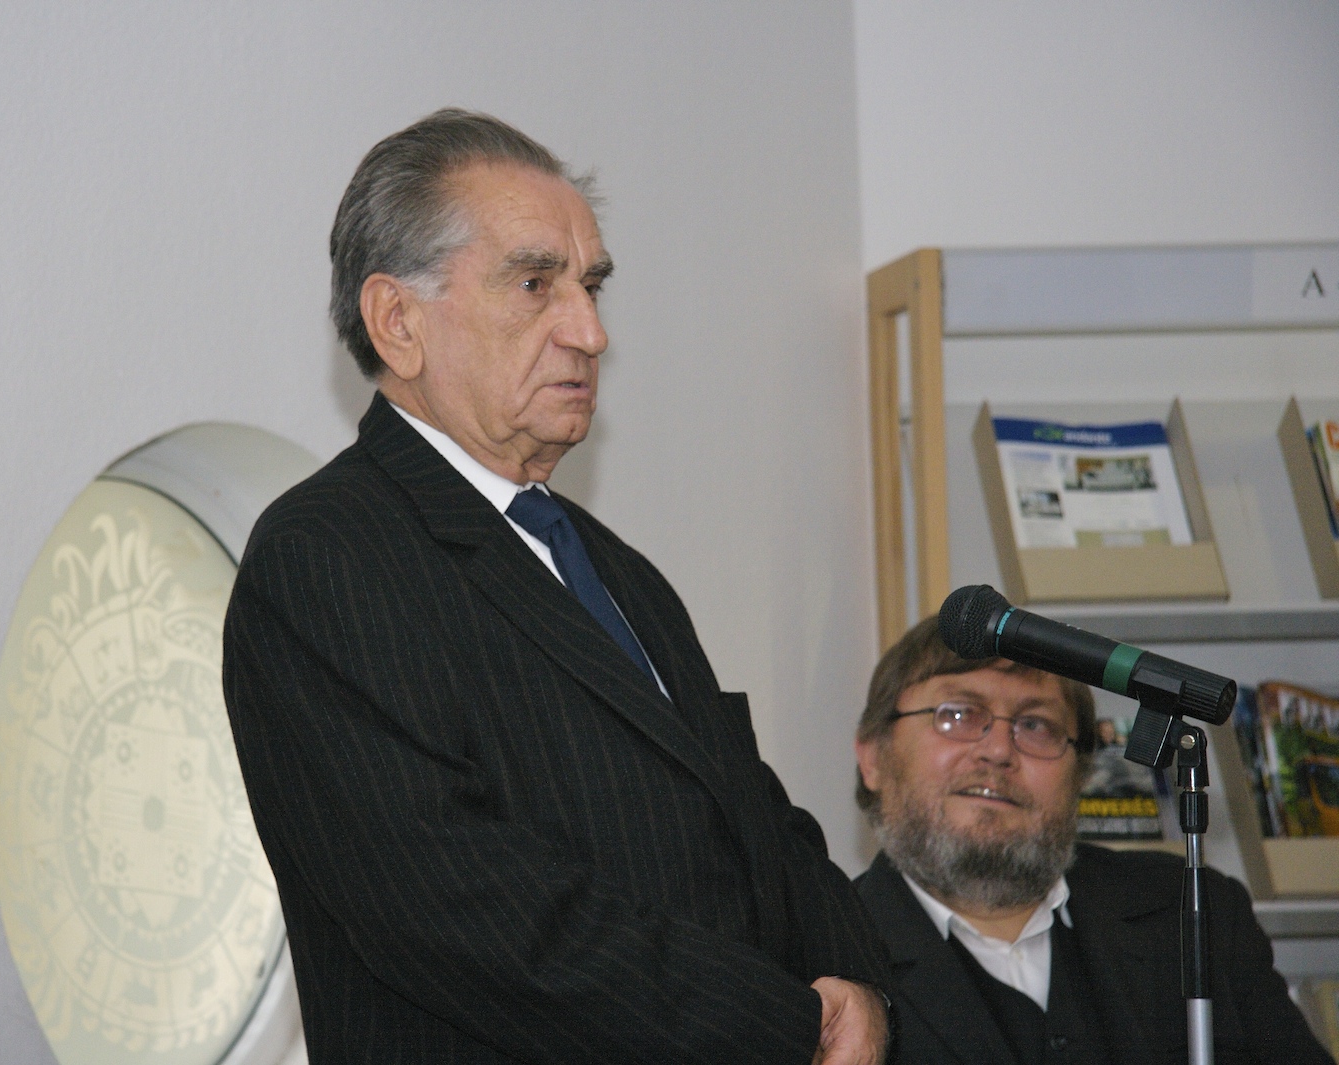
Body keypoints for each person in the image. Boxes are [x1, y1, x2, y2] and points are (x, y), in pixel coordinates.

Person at [220, 108, 891, 1064]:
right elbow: (459, 909)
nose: (591, 331)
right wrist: (779, 1024)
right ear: (398, 322)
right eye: (536, 284)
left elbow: (756, 821)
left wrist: (860, 988)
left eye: (592, 285)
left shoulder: (618, 570)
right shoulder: (326, 554)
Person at [851, 617, 1333, 1065]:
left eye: (1035, 725)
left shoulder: (1194, 913)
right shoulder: (830, 956)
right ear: (872, 757)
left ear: (1080, 774)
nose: (998, 751)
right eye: (958, 714)